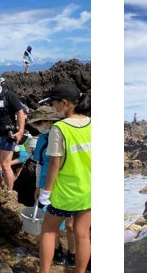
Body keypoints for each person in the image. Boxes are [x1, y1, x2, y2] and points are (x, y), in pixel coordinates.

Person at [37, 84, 92, 273]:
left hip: (65, 192)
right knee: (83, 235)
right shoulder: (93, 124)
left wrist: (46, 192)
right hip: (88, 191)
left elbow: (53, 164)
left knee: (48, 230)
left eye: (53, 103)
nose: (53, 107)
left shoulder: (59, 129)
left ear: (65, 103)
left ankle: (43, 271)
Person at [29, 105, 76, 265]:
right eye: (36, 124)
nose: (38, 127)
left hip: (65, 186)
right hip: (45, 186)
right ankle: (56, 251)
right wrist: (37, 186)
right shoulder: (41, 140)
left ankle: (73, 253)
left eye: (40, 123)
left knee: (70, 225)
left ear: (49, 121)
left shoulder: (65, 134)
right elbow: (39, 164)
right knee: (50, 224)